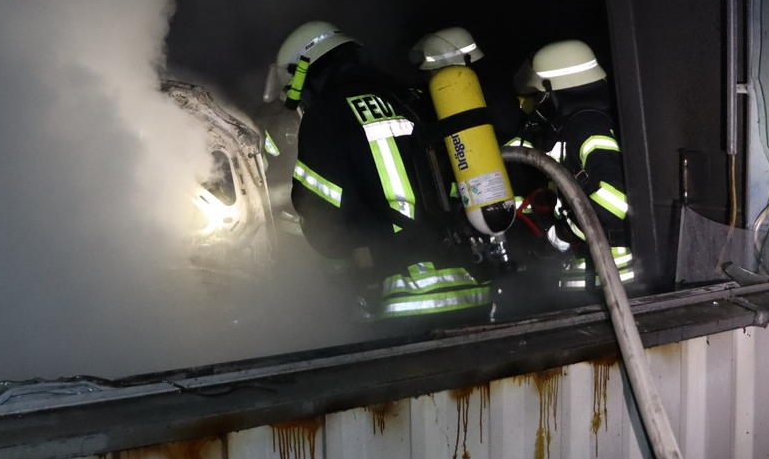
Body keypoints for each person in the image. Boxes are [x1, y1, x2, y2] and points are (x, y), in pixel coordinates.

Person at [263, 21, 494, 325]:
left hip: (403, 303)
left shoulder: (326, 115)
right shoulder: (411, 95)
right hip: (475, 289)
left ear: (302, 74)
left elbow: (325, 228)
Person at [513, 39, 635, 293]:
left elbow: (617, 195)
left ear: (553, 92)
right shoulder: (584, 125)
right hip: (598, 276)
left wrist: (562, 235)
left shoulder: (586, 127)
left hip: (608, 279)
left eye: (537, 97)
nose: (535, 107)